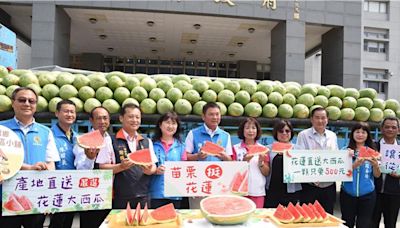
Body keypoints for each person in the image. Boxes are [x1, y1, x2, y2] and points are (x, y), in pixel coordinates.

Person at [0, 87, 60, 228]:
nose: (27, 104)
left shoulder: (45, 132)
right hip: (5, 197)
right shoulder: (2, 129)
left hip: (35, 198)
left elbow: (51, 165)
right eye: (22, 100)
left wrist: (48, 196)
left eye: (31, 101)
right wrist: (29, 168)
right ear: (12, 103)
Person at [99, 103, 157, 209]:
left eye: (137, 117)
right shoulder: (110, 140)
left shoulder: (146, 141)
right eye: (130, 117)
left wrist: (149, 170)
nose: (134, 120)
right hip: (120, 197)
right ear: (121, 118)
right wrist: (120, 167)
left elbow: (153, 166)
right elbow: (102, 167)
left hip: (143, 196)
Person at [185, 102, 232, 208]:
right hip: (198, 184)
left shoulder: (225, 136)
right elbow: (185, 157)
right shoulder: (193, 133)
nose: (215, 117)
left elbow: (230, 160)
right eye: (211, 114)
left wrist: (224, 157)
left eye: (217, 114)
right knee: (197, 215)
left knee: (218, 215)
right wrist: (197, 156)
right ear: (203, 116)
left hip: (219, 183)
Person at [73, 106, 114, 228]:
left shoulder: (109, 139)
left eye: (105, 118)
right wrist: (90, 158)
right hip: (91, 195)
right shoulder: (82, 140)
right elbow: (80, 170)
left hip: (108, 195)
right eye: (98, 118)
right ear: (91, 120)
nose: (102, 122)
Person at [296, 107, 338, 214]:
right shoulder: (303, 135)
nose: (320, 121)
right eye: (317, 118)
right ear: (312, 119)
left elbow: (337, 158)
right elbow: (300, 157)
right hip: (309, 185)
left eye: (323, 118)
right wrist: (311, 176)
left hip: (328, 185)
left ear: (327, 119)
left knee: (327, 216)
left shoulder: (332, 136)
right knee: (307, 216)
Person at [340, 122, 380, 228]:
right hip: (348, 194)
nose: (360, 135)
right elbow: (340, 173)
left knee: (364, 224)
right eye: (357, 132)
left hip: (368, 195)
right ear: (352, 134)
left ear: (367, 135)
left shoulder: (373, 152)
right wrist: (354, 165)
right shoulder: (345, 151)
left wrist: (376, 166)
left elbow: (376, 175)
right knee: (347, 224)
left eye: (363, 132)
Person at [49, 100, 78, 228]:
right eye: (66, 111)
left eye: (72, 112)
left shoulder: (77, 137)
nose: (69, 114)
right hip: (56, 187)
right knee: (57, 223)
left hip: (72, 187)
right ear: (57, 113)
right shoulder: (49, 135)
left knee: (68, 222)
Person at [149, 111, 186, 209]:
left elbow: (184, 169)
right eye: (167, 122)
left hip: (175, 192)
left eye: (174, 123)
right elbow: (146, 167)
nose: (170, 126)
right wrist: (156, 171)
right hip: (156, 192)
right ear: (160, 125)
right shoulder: (151, 145)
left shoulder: (181, 146)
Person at [232, 117, 270, 208]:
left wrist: (261, 163)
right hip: (239, 191)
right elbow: (232, 171)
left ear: (257, 131)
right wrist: (244, 162)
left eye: (253, 128)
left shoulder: (264, 149)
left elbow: (266, 173)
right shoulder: (235, 148)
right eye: (247, 128)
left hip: (257, 191)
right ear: (242, 130)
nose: (250, 131)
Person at [265, 119, 302, 208]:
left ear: (291, 133)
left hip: (292, 191)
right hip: (272, 190)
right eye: (281, 131)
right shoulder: (268, 149)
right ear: (276, 133)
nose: (284, 133)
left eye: (287, 131)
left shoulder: (298, 149)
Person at [371, 117, 400, 228]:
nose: (390, 129)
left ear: (398, 130)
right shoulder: (374, 146)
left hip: (394, 193)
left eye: (394, 127)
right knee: (372, 223)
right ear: (381, 129)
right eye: (387, 127)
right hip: (374, 192)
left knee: (390, 224)